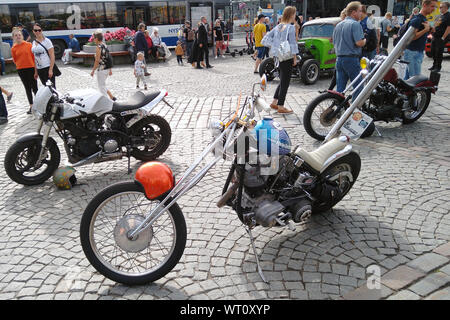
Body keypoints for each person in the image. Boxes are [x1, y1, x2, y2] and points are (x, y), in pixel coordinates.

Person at [265, 6, 299, 114]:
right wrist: (295, 58)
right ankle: (281, 106)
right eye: (294, 13)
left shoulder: (278, 26)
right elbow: (293, 43)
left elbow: (265, 39)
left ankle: (275, 102)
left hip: (278, 57)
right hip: (287, 57)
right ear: (291, 14)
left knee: (282, 80)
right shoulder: (291, 27)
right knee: (285, 82)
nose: (295, 15)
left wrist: (275, 47)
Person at [333, 1, 366, 99]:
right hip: (351, 59)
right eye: (360, 11)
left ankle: (339, 109)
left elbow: (334, 42)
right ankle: (354, 111)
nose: (361, 13)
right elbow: (359, 43)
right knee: (358, 87)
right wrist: (365, 40)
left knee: (340, 89)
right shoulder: (355, 24)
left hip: (339, 59)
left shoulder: (338, 25)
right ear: (353, 12)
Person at [403, 0, 437, 79]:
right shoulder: (417, 19)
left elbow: (419, 35)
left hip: (416, 52)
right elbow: (411, 37)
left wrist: (428, 30)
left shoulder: (422, 19)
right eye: (432, 6)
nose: (434, 9)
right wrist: (425, 30)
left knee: (408, 80)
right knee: (415, 79)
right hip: (413, 52)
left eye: (435, 7)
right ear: (424, 5)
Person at [11, 27, 38, 114]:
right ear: (13, 37)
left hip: (31, 68)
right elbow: (15, 60)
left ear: (22, 36)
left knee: (35, 87)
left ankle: (39, 105)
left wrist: (35, 70)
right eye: (16, 35)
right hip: (21, 70)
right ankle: (31, 105)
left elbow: (34, 58)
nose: (18, 36)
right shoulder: (13, 48)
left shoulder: (29, 45)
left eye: (19, 35)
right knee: (27, 88)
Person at [90, 31, 116, 101]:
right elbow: (108, 57)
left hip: (101, 69)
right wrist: (110, 69)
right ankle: (111, 97)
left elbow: (97, 60)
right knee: (103, 85)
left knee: (101, 87)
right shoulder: (104, 45)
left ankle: (106, 102)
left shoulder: (98, 47)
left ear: (96, 38)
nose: (93, 39)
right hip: (107, 68)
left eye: (94, 38)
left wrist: (93, 70)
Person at [31, 23, 57, 88]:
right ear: (33, 31)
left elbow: (52, 55)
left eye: (39, 30)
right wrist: (36, 71)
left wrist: (51, 69)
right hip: (39, 69)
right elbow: (35, 57)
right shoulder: (34, 42)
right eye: (35, 30)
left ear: (41, 30)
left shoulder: (47, 41)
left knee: (51, 88)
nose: (37, 32)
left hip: (47, 67)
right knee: (45, 88)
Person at [429, 2, 450, 72]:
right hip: (435, 36)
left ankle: (438, 67)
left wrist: (443, 37)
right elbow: (435, 25)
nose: (440, 8)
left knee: (438, 52)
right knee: (433, 51)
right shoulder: (439, 16)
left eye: (441, 7)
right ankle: (434, 65)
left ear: (446, 8)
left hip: (441, 37)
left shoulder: (448, 16)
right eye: (439, 7)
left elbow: (448, 28)